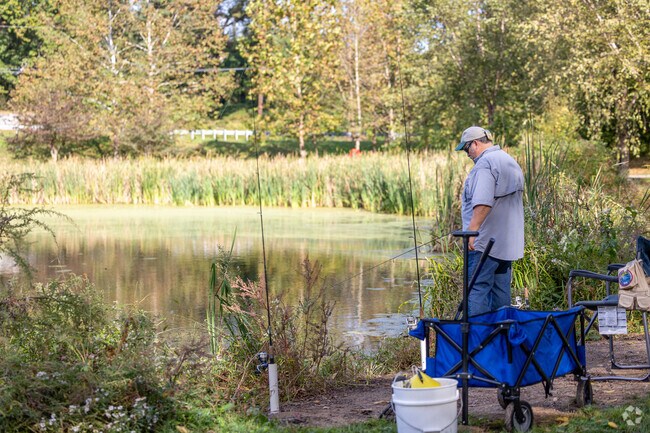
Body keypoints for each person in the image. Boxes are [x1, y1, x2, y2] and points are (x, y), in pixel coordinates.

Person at [455, 126, 524, 316]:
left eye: (466, 148)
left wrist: (471, 232)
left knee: (477, 289)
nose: (466, 154)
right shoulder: (509, 161)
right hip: (507, 243)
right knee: (501, 293)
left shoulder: (485, 165)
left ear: (475, 143)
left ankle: (477, 339)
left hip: (484, 244)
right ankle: (499, 339)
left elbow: (483, 203)